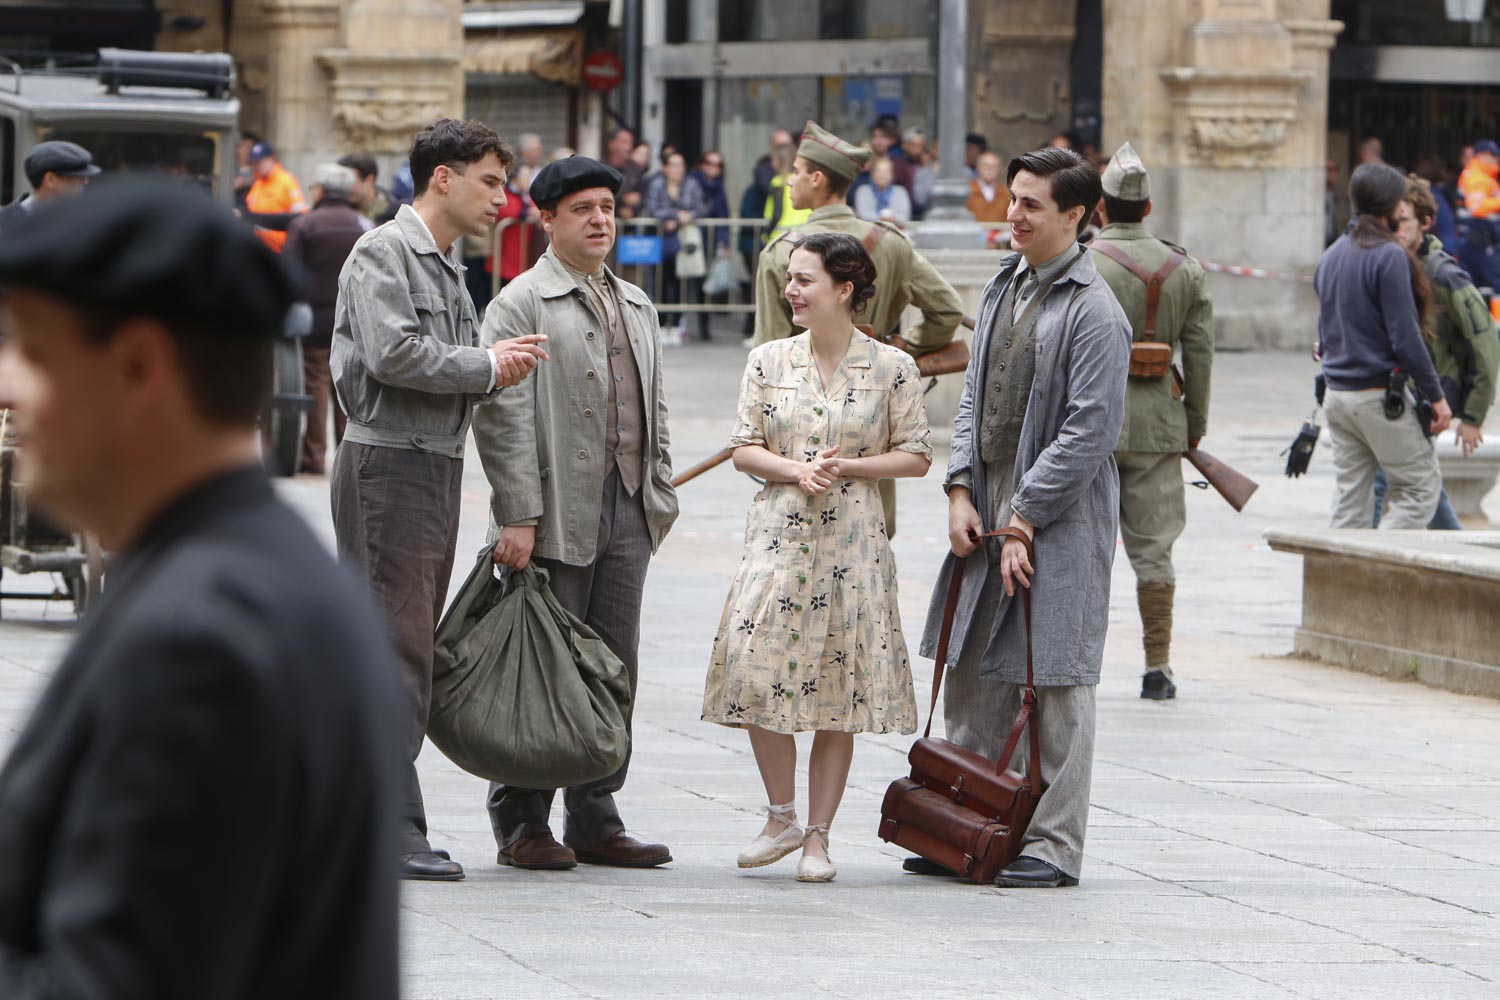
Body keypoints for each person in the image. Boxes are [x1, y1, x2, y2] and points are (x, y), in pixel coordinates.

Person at [0, 177, 402, 997]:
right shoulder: (242, 572)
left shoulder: (202, 639)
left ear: (140, 364)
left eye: (34, 353)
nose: (6, 385)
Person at [330, 119, 550, 883]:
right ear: (443, 178)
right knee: (394, 646)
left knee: (405, 642)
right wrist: (486, 365)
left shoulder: (447, 264)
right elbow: (393, 353)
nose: (504, 197)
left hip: (426, 466)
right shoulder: (384, 251)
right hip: (389, 463)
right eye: (492, 181)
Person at [913, 146, 1130, 889]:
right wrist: (961, 489)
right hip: (991, 497)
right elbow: (972, 396)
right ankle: (965, 824)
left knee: (1057, 677)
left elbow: (1090, 429)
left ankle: (1052, 846)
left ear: (1076, 215)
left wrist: (1027, 516)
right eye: (1013, 198)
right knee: (975, 665)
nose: (1014, 213)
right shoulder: (1004, 286)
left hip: (1060, 511)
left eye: (1032, 204)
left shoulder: (1096, 309)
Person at [703, 232, 931, 883]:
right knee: (753, 668)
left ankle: (819, 838)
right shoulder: (768, 360)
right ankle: (781, 815)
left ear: (846, 289)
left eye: (805, 280)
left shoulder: (893, 367)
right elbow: (744, 446)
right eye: (792, 279)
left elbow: (916, 454)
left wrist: (850, 466)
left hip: (855, 542)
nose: (792, 291)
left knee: (841, 683)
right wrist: (795, 470)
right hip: (778, 537)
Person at [474, 156, 679, 871]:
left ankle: (595, 812)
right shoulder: (519, 304)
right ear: (548, 220)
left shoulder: (638, 303)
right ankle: (521, 817)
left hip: (627, 511)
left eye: (607, 208)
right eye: (583, 209)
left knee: (611, 665)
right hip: (555, 512)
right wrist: (519, 514)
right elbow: (501, 418)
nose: (600, 220)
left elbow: (653, 408)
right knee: (542, 664)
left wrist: (658, 495)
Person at [753, 120, 963, 538]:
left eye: (796, 172)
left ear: (816, 177)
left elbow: (769, 354)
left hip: (800, 430)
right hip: (873, 411)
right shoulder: (890, 242)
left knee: (794, 545)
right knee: (872, 543)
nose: (790, 180)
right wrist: (902, 350)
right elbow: (947, 309)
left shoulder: (781, 254)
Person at [1088, 142, 1214, 701]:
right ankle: (1157, 666)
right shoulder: (1183, 267)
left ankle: (1075, 662)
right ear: (1149, 207)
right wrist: (1194, 427)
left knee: (1080, 548)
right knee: (1155, 549)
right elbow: (1201, 355)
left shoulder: (1081, 262)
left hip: (1088, 424)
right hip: (1161, 424)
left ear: (1099, 207)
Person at [1316, 162, 1452, 529]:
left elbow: (1322, 339)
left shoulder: (1331, 255)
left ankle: (1344, 581)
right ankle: (1381, 565)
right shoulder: (1388, 255)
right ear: (1392, 208)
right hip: (1377, 396)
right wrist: (1437, 398)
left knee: (1350, 500)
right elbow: (1405, 338)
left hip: (1338, 396)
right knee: (1420, 488)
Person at [1372, 175, 1499, 527]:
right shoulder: (1395, 266)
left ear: (1425, 223)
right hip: (1402, 396)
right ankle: (1458, 551)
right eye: (1390, 221)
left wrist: (1473, 417)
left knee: (1382, 480)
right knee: (1424, 483)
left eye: (1403, 221)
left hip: (1429, 399)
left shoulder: (1445, 275)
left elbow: (1485, 341)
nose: (1395, 229)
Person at [285, 162, 369, 474]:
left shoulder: (306, 224)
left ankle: (313, 457)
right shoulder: (364, 225)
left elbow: (289, 271)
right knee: (346, 388)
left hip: (316, 320)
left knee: (316, 383)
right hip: (355, 321)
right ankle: (347, 462)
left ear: (320, 190)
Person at [644, 150, 709, 340]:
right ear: (665, 168)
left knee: (681, 281)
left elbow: (700, 207)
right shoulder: (656, 184)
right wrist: (674, 216)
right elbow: (652, 207)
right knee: (661, 281)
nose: (678, 169)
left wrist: (683, 218)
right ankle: (663, 324)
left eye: (680, 165)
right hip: (661, 239)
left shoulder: (692, 184)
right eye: (673, 165)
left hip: (684, 239)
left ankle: (679, 324)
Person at [0, 140, 99, 231]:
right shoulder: (4, 224)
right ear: (50, 179)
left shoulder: (86, 222)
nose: (85, 182)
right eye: (77, 177)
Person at [690, 150, 732, 340]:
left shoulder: (719, 187)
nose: (713, 168)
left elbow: (723, 213)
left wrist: (725, 242)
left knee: (705, 283)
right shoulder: (692, 182)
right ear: (702, 164)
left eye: (718, 164)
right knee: (684, 281)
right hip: (691, 237)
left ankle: (704, 326)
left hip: (710, 239)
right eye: (709, 163)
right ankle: (676, 325)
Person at [244, 142, 308, 252]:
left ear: (271, 159)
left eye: (259, 162)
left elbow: (300, 215)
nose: (256, 166)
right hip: (258, 249)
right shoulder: (257, 184)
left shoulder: (286, 181)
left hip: (280, 250)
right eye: (254, 163)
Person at [1457, 139, 1500, 298]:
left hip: (1474, 241)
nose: (1496, 160)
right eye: (1493, 156)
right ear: (1482, 156)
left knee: (1474, 289)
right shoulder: (1477, 177)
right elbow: (1477, 208)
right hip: (1479, 241)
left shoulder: (1481, 176)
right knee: (1497, 284)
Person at [762, 141, 810, 244]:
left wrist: (766, 234)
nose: (771, 163)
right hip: (805, 235)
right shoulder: (803, 180)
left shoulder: (778, 182)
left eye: (774, 159)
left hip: (782, 237)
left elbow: (777, 212)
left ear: (781, 160)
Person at [339, 152, 400, 227]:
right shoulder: (338, 211)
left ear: (369, 180)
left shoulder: (397, 214)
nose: (345, 187)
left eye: (351, 181)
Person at [854, 157, 913, 226]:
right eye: (879, 171)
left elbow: (905, 216)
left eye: (886, 171)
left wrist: (893, 219)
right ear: (872, 174)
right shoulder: (862, 191)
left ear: (892, 175)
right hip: (869, 230)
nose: (882, 175)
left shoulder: (900, 191)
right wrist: (881, 218)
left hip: (896, 229)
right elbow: (862, 214)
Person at [607, 127, 645, 218]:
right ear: (612, 144)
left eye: (630, 142)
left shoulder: (636, 169)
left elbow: (644, 196)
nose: (628, 147)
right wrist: (622, 200)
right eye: (624, 142)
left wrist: (633, 210)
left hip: (631, 225)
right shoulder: (602, 168)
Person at [966, 151, 1010, 224]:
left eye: (994, 166)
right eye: (985, 165)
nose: (989, 169)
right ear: (978, 167)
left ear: (999, 169)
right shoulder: (967, 190)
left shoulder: (1005, 193)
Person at [903, 128, 935, 219]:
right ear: (905, 145)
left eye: (920, 146)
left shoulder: (926, 167)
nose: (917, 150)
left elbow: (922, 198)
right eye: (913, 145)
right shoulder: (898, 164)